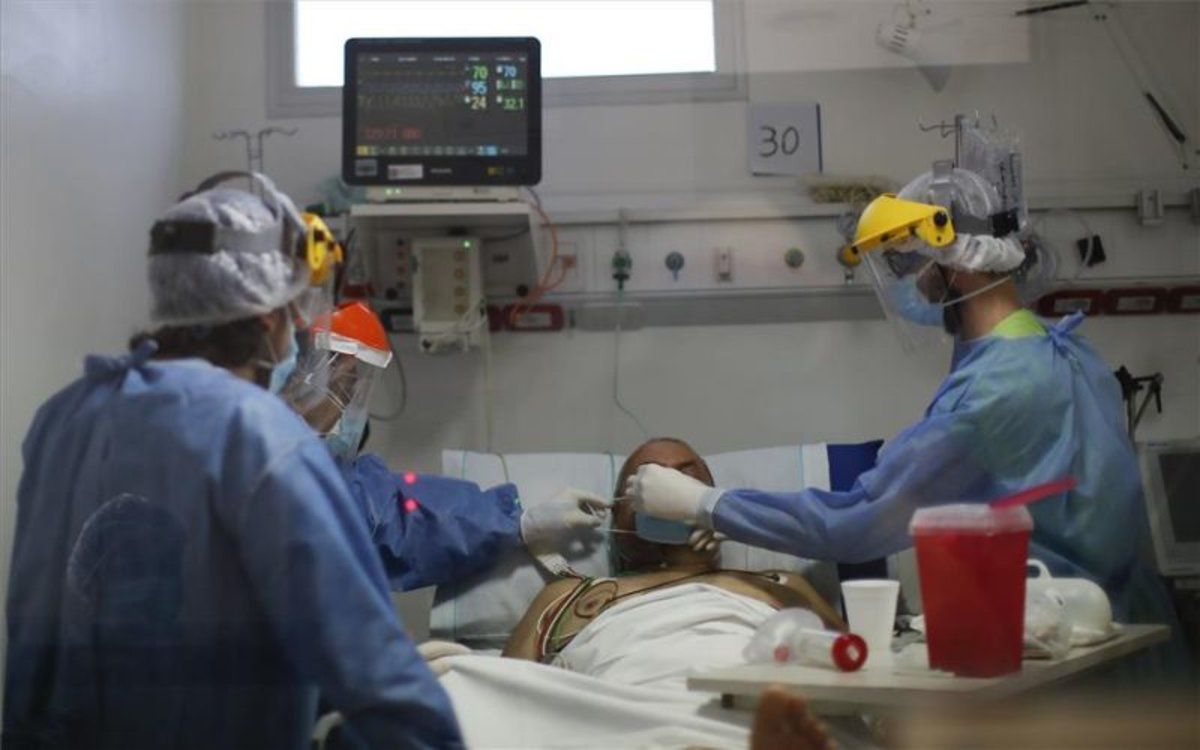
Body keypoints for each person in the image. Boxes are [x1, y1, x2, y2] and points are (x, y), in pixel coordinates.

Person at [626, 137, 1188, 679]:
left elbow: (859, 522)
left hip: (1065, 663)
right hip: (1127, 643)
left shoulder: (994, 392)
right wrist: (727, 514)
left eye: (907, 265)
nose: (907, 285)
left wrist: (706, 503)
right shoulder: (1068, 353)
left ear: (955, 265)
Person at [4, 172, 462, 749]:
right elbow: (374, 670)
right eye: (294, 312)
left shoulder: (65, 417)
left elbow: (35, 635)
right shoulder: (259, 435)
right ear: (269, 319)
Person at [281, 303, 703, 592]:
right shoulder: (573, 605)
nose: (344, 401)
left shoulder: (336, 486)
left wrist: (521, 524)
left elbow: (406, 520)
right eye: (338, 383)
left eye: (686, 480)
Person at [503, 438, 843, 686]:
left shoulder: (780, 585)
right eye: (644, 486)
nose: (665, 496)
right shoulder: (565, 595)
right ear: (616, 516)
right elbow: (502, 697)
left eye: (684, 481)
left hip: (755, 713)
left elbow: (859, 668)